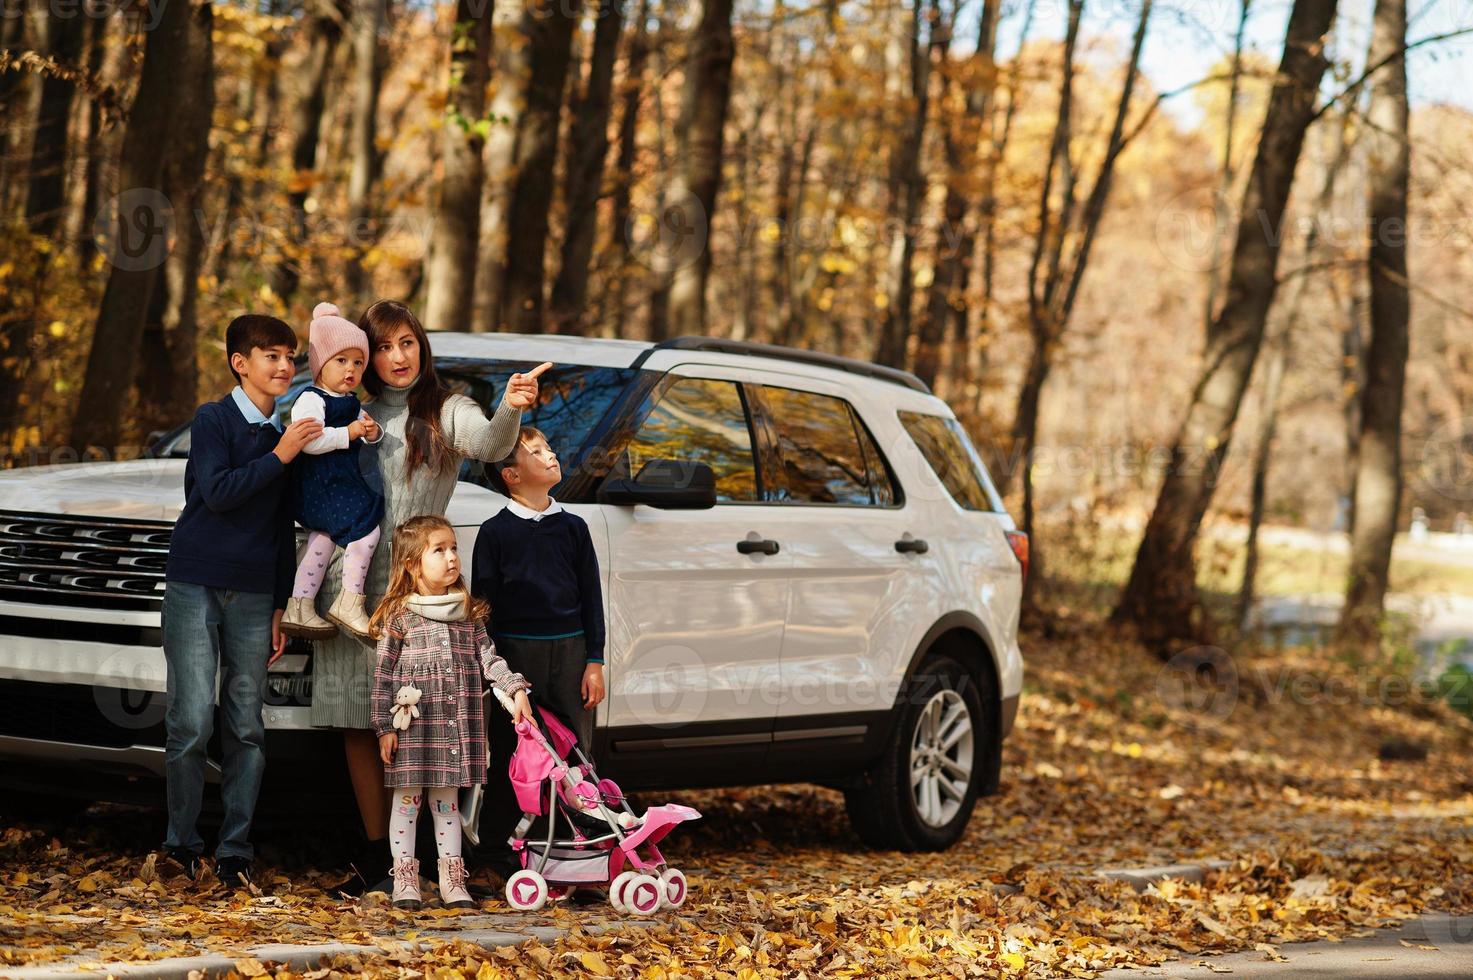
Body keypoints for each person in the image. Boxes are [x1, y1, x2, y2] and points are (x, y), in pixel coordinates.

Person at [309, 298, 551, 894]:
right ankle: (378, 856)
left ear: (422, 345)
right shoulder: (347, 411)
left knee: (426, 721)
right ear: (365, 355)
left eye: (407, 342)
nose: (396, 357)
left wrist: (511, 409)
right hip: (352, 589)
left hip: (423, 592)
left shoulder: (446, 409)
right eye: (383, 346)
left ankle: (434, 864)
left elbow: (492, 445)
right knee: (360, 723)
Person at [159, 314, 323, 887]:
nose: (285, 367)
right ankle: (180, 845)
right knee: (188, 722)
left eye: (291, 357)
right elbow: (221, 492)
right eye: (272, 356)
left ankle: (235, 850)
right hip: (195, 583)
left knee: (247, 725)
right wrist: (280, 454)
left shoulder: (290, 432)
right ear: (240, 362)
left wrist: (282, 602)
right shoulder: (214, 420)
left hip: (256, 594)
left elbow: (283, 528)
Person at [369, 516, 533, 909]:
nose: (451, 558)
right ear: (411, 563)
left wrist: (514, 689)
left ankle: (451, 879)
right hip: (413, 727)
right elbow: (382, 676)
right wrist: (382, 727)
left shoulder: (467, 614)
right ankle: (404, 878)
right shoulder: (399, 616)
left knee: (447, 805)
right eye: (439, 550)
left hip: (454, 727)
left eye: (454, 548)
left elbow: (489, 660)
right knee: (407, 802)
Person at [472, 426, 606, 759]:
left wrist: (594, 662)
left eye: (549, 448)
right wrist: (496, 669)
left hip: (572, 655)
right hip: (517, 658)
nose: (552, 455)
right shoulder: (493, 533)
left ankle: (581, 811)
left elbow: (591, 596)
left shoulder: (574, 527)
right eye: (537, 451)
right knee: (515, 748)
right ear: (511, 474)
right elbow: (484, 609)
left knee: (576, 753)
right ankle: (513, 813)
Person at [280, 302, 385, 641]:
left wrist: (371, 434)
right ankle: (349, 601)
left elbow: (362, 432)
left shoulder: (350, 399)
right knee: (366, 528)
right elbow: (309, 442)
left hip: (336, 483)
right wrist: (348, 434)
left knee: (322, 541)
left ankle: (300, 606)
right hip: (321, 485)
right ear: (320, 363)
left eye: (358, 362)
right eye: (341, 361)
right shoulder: (311, 400)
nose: (350, 369)